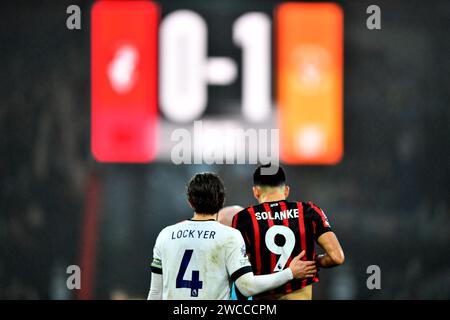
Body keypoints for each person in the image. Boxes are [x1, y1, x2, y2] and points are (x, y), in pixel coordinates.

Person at [147, 173, 317, 300]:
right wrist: (289, 273)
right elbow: (247, 287)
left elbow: (155, 292)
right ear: (221, 201)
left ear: (190, 202)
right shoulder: (230, 236)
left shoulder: (166, 235)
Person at [232, 164, 345, 300]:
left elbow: (241, 267)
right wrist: (314, 261)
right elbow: (337, 257)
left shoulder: (244, 218)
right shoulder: (309, 211)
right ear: (286, 190)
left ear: (256, 191)